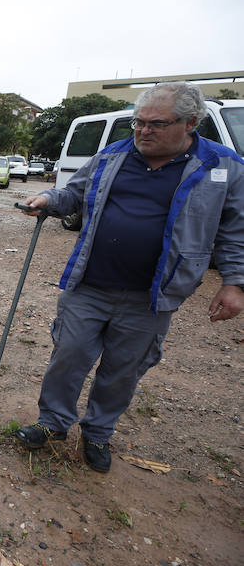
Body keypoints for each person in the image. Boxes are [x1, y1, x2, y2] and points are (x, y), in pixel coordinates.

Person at [15, 82, 244, 473]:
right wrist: (49, 200)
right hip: (89, 284)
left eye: (156, 123)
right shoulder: (114, 154)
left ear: (191, 123)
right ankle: (52, 424)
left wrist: (234, 282)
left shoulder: (223, 166)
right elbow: (74, 193)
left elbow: (235, 229)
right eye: (139, 122)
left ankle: (98, 433)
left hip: (151, 296)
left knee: (123, 370)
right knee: (68, 357)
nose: (143, 131)